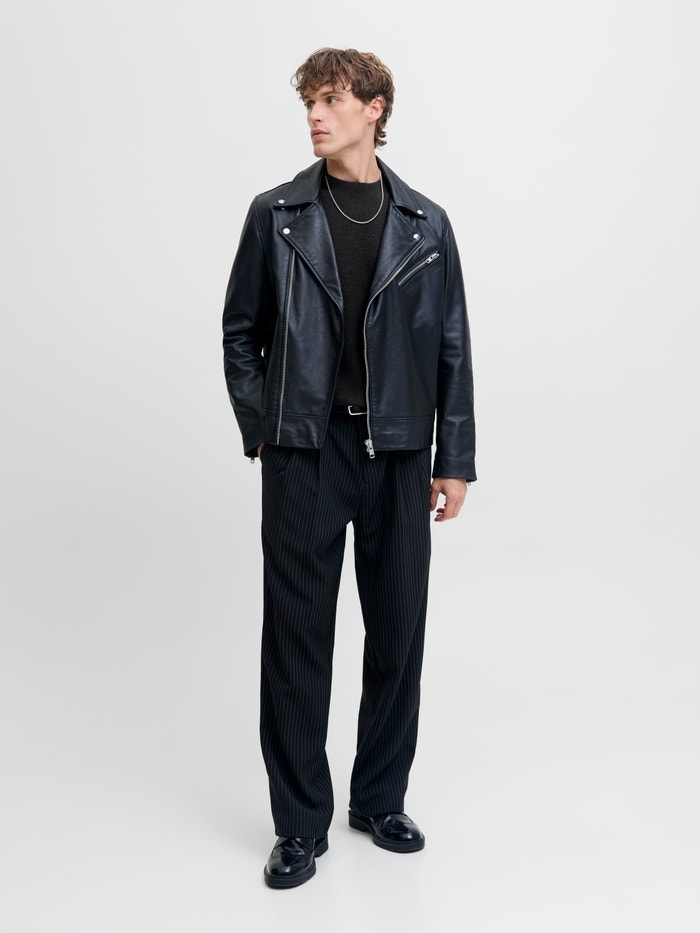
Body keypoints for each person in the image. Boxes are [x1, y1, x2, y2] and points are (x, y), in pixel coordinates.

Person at [222, 47, 476, 888]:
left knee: (398, 630)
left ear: (374, 109)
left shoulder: (427, 224)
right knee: (297, 639)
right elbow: (241, 331)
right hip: (305, 450)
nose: (315, 115)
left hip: (399, 452)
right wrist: (266, 430)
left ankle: (379, 798)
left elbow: (451, 347)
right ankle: (299, 824)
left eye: (331, 99)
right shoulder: (277, 214)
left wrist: (454, 458)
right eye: (309, 102)